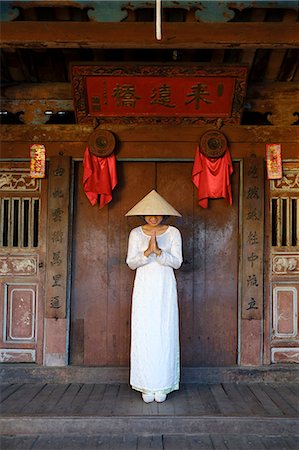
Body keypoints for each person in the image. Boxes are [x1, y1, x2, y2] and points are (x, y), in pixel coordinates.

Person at [125, 190, 183, 403]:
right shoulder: (136, 233)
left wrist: (159, 252)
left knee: (164, 329)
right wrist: (147, 252)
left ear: (164, 214)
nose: (153, 217)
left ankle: (164, 383)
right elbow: (131, 263)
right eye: (149, 213)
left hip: (165, 285)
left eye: (157, 213)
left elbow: (177, 262)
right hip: (144, 285)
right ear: (143, 214)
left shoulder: (173, 233)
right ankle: (146, 384)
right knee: (145, 330)